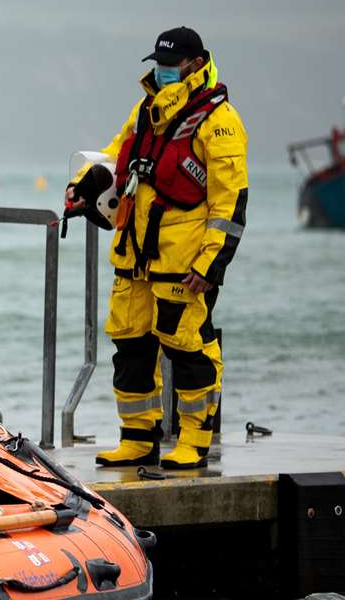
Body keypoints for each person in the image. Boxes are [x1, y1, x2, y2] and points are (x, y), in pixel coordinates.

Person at [67, 26, 248, 470]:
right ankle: (137, 438)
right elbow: (114, 156)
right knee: (130, 348)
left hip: (184, 261)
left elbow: (230, 204)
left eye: (170, 65)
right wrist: (84, 184)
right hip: (134, 256)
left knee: (188, 349)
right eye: (158, 65)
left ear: (194, 63)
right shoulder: (147, 110)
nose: (163, 72)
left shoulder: (220, 124)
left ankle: (194, 440)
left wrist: (210, 264)